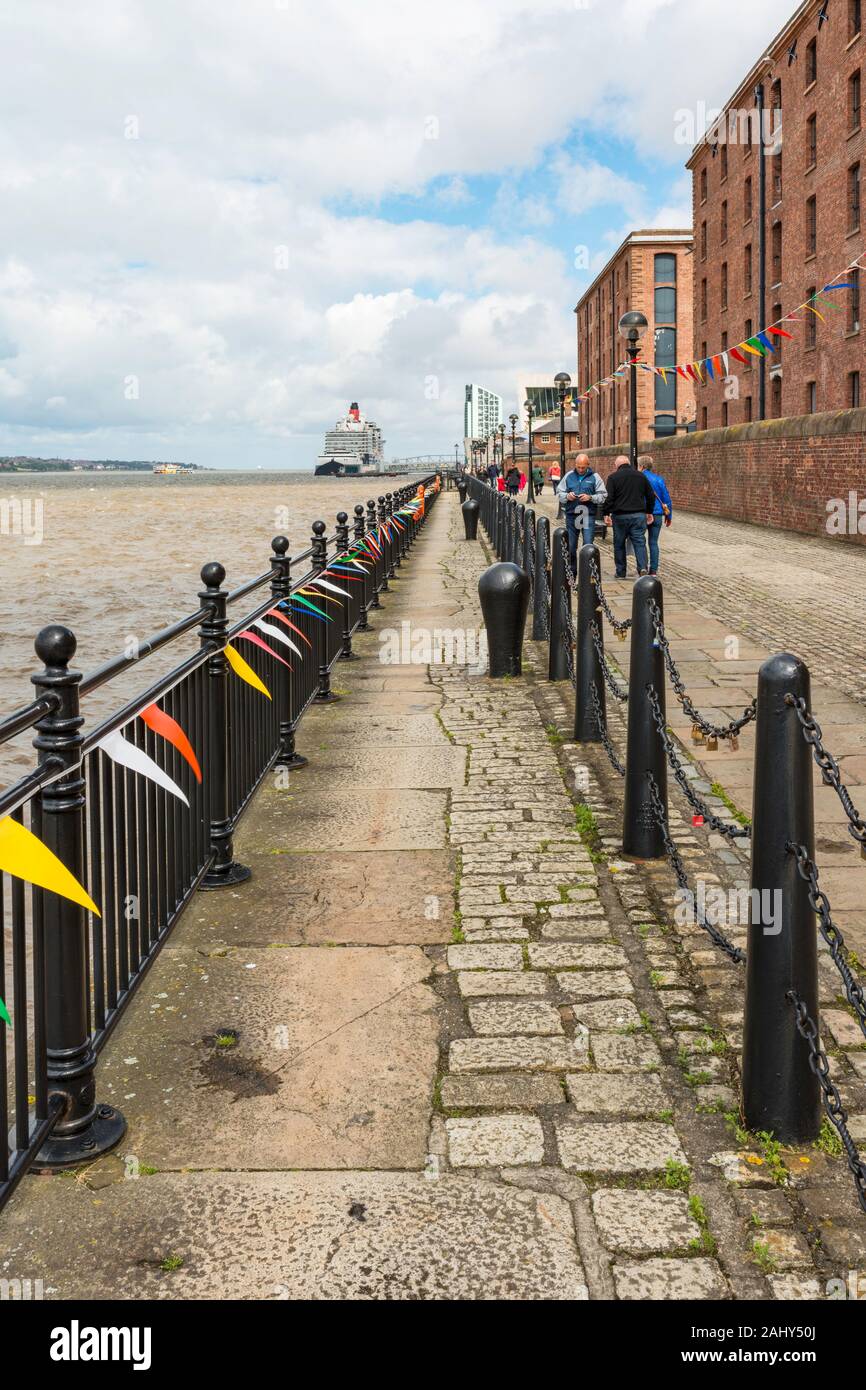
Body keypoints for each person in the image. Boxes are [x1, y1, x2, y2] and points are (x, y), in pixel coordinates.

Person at [602, 455, 656, 579]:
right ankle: (642, 568)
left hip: (620, 517)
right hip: (638, 516)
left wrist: (606, 513)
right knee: (640, 543)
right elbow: (650, 496)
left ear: (617, 465)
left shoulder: (613, 477)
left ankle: (621, 572)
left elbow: (609, 498)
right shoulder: (641, 476)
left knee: (619, 544)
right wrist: (649, 511)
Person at [557, 453, 607, 571]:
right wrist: (567, 496)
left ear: (588, 465)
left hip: (587, 515)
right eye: (578, 467)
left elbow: (603, 495)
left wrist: (590, 497)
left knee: (588, 544)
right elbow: (559, 493)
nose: (580, 469)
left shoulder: (595, 477)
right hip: (572, 515)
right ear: (575, 464)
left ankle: (587, 572)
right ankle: (572, 571)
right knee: (571, 545)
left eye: (583, 467)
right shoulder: (568, 476)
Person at [638, 455, 673, 576]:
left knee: (640, 541)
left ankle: (642, 567)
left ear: (641, 466)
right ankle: (653, 570)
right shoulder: (659, 479)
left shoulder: (639, 478)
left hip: (642, 513)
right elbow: (666, 499)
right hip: (657, 514)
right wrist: (669, 516)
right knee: (653, 542)